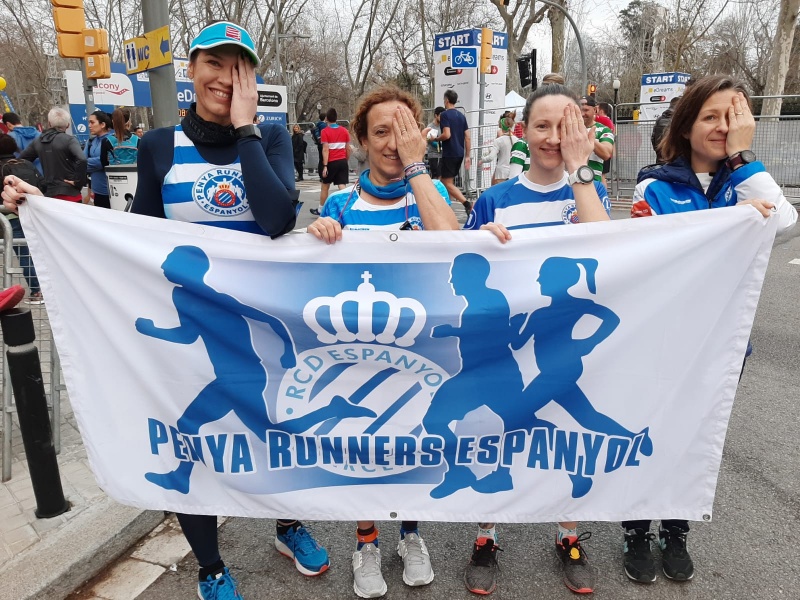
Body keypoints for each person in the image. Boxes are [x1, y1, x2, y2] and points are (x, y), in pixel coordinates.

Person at [130, 20, 330, 599]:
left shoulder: (267, 138)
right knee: (193, 438)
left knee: (278, 426)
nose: (225, 76)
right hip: (197, 326)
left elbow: (275, 218)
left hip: (264, 326)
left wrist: (245, 129)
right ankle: (211, 567)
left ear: (253, 79)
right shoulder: (157, 147)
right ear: (191, 70)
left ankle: (287, 523)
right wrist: (45, 210)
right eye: (213, 63)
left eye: (239, 66)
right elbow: (135, 241)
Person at [627, 75, 797, 584]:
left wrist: (743, 163)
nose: (723, 128)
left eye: (733, 118)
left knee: (699, 435)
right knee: (650, 432)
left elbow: (786, 222)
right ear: (687, 124)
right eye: (711, 117)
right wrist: (723, 224)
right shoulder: (653, 185)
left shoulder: (744, 181)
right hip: (660, 345)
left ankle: (676, 529)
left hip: (723, 348)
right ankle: (636, 527)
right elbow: (647, 257)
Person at [459, 83, 613, 596]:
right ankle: (486, 533)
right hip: (505, 353)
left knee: (566, 437)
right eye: (542, 125)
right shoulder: (494, 199)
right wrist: (482, 242)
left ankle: (568, 534)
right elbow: (466, 274)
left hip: (562, 352)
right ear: (523, 131)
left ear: (581, 131)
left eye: (564, 125)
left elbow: (609, 253)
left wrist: (580, 167)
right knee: (497, 433)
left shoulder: (588, 189)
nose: (553, 137)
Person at [307, 84, 458, 599]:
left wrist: (420, 171)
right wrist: (322, 233)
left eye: (404, 131)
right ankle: (366, 542)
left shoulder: (427, 191)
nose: (394, 143)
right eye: (381, 133)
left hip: (421, 358)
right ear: (361, 142)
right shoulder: (343, 202)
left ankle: (411, 536)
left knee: (412, 447)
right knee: (365, 449)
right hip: (359, 358)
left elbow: (452, 244)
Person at [0, 133, 44, 304]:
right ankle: (42, 288)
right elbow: (42, 184)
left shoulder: (3, 168)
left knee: (23, 254)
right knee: (35, 251)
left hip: (9, 216)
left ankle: (36, 290)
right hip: (31, 213)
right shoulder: (26, 163)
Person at [18, 107, 86, 202]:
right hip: (70, 193)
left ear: (49, 123)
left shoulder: (38, 141)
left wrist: (38, 180)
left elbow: (21, 161)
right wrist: (78, 182)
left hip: (49, 194)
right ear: (68, 125)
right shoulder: (70, 140)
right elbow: (82, 159)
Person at [432, 89, 472, 214]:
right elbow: (467, 136)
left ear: (446, 100)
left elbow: (447, 134)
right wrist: (467, 156)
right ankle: (447, 207)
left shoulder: (444, 115)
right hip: (460, 153)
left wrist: (436, 138)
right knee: (449, 181)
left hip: (449, 152)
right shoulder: (461, 116)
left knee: (445, 181)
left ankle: (466, 203)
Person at [310, 108, 350, 215]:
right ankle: (345, 208)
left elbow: (325, 149)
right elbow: (348, 148)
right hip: (342, 160)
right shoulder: (344, 131)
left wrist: (325, 165)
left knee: (325, 186)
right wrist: (346, 159)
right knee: (342, 185)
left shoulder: (325, 131)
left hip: (331, 161)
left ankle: (320, 209)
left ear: (326, 118)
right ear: (336, 118)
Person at [579, 96, 614, 184]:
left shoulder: (604, 130)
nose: (582, 114)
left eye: (586, 110)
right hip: (571, 182)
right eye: (580, 110)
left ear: (595, 110)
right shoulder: (570, 128)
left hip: (593, 182)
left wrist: (587, 136)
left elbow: (606, 153)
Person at [84, 110, 114, 208]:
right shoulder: (90, 141)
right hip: (96, 191)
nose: (89, 125)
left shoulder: (112, 140)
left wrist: (100, 162)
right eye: (89, 122)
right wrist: (100, 162)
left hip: (112, 191)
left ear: (102, 124)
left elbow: (108, 161)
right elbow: (82, 163)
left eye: (92, 122)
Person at [479, 117, 516, 186]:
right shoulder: (517, 140)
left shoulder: (498, 141)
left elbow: (490, 157)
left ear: (501, 127)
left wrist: (482, 160)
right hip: (514, 172)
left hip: (501, 173)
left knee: (499, 194)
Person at [650, 96, 680, 164]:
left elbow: (653, 138)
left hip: (660, 155)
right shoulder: (678, 120)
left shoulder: (659, 119)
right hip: (674, 158)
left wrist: (658, 151)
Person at [426, 106, 444, 179]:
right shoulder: (430, 127)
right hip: (433, 155)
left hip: (442, 155)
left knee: (441, 175)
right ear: (436, 115)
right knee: (436, 175)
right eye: (440, 115)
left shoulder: (443, 126)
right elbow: (430, 141)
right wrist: (441, 147)